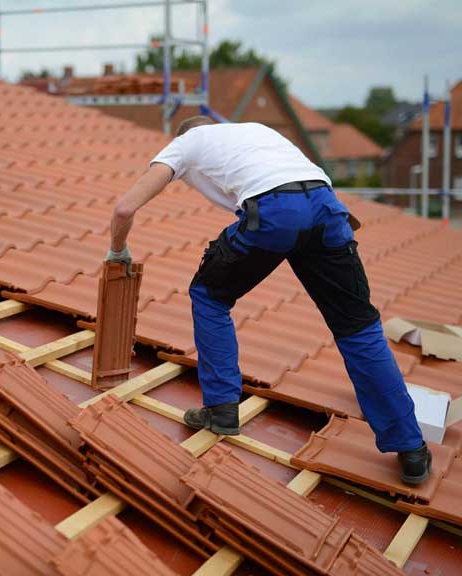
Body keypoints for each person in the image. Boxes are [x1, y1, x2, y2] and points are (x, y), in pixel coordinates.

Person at [106, 116, 432, 485]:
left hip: (276, 212)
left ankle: (221, 409)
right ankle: (412, 449)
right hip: (327, 206)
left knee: (209, 295)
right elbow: (306, 188)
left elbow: (124, 208)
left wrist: (117, 251)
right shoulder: (256, 133)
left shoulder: (186, 143)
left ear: (187, 133)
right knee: (358, 327)